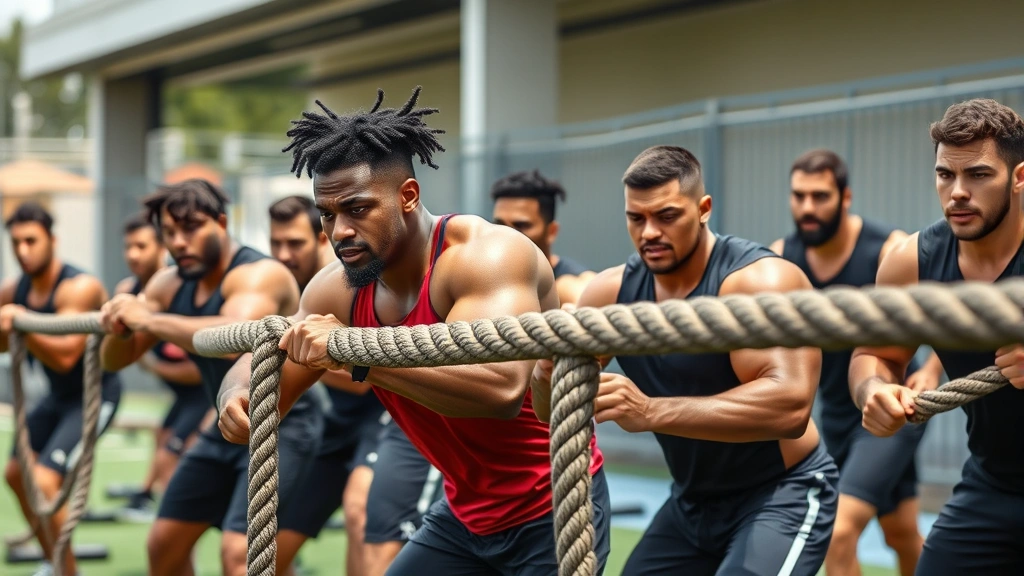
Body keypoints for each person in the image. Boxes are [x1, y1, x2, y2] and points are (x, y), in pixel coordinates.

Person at [217, 86, 611, 575]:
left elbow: (501, 388)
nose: (339, 231)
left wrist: (356, 355)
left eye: (357, 209)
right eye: (328, 213)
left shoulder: (484, 257)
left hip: (550, 506)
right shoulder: (338, 289)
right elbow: (265, 358)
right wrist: (234, 397)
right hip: (464, 514)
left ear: (407, 196)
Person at [535, 145, 838, 575]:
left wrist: (650, 410)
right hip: (690, 503)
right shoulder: (611, 293)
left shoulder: (758, 282)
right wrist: (549, 368)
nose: (649, 233)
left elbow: (790, 406)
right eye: (636, 219)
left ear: (703, 209)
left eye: (667, 216)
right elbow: (550, 411)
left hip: (781, 492)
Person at [97, 179, 323, 576]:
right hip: (221, 424)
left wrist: (147, 318)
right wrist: (120, 322)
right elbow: (116, 360)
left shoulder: (259, 274)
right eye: (169, 233)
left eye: (190, 229)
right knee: (163, 544)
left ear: (221, 223)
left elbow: (232, 337)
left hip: (282, 425)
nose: (178, 243)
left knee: (240, 556)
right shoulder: (168, 284)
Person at [850, 97, 1024, 575]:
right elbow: (874, 354)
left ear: (1019, 176)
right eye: (946, 175)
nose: (958, 192)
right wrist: (875, 389)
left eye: (979, 175)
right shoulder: (912, 262)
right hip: (993, 484)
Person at [769, 149, 944, 576]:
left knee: (838, 532)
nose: (807, 208)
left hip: (893, 407)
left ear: (845, 197)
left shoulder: (889, 249)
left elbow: (952, 308)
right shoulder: (780, 258)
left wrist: (931, 369)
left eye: (820, 196)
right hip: (835, 415)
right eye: (799, 196)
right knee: (901, 533)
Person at [269, 195, 438, 576]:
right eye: (275, 243)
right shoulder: (303, 291)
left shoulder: (351, 278)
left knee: (358, 509)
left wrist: (324, 354)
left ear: (316, 241)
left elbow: (360, 382)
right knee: (268, 549)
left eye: (294, 243)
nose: (283, 255)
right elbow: (264, 362)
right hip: (338, 426)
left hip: (385, 421)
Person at [1, 201, 123, 576]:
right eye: (16, 242)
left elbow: (67, 357)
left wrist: (22, 321)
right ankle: (51, 558)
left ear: (52, 239)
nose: (23, 251)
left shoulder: (79, 287)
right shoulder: (14, 289)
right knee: (15, 475)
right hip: (56, 398)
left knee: (43, 480)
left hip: (92, 396)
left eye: (31, 241)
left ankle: (66, 572)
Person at [113, 212, 211, 522]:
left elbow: (198, 369)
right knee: (162, 440)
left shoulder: (177, 290)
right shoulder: (126, 292)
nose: (132, 255)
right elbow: (113, 355)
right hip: (181, 396)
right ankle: (148, 497)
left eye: (141, 246)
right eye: (128, 247)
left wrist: (152, 367)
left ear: (160, 249)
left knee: (172, 458)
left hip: (205, 395)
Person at [491, 170, 595, 304]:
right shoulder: (486, 278)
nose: (507, 234)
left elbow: (586, 293)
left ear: (551, 232)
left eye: (521, 226)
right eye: (499, 224)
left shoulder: (567, 282)